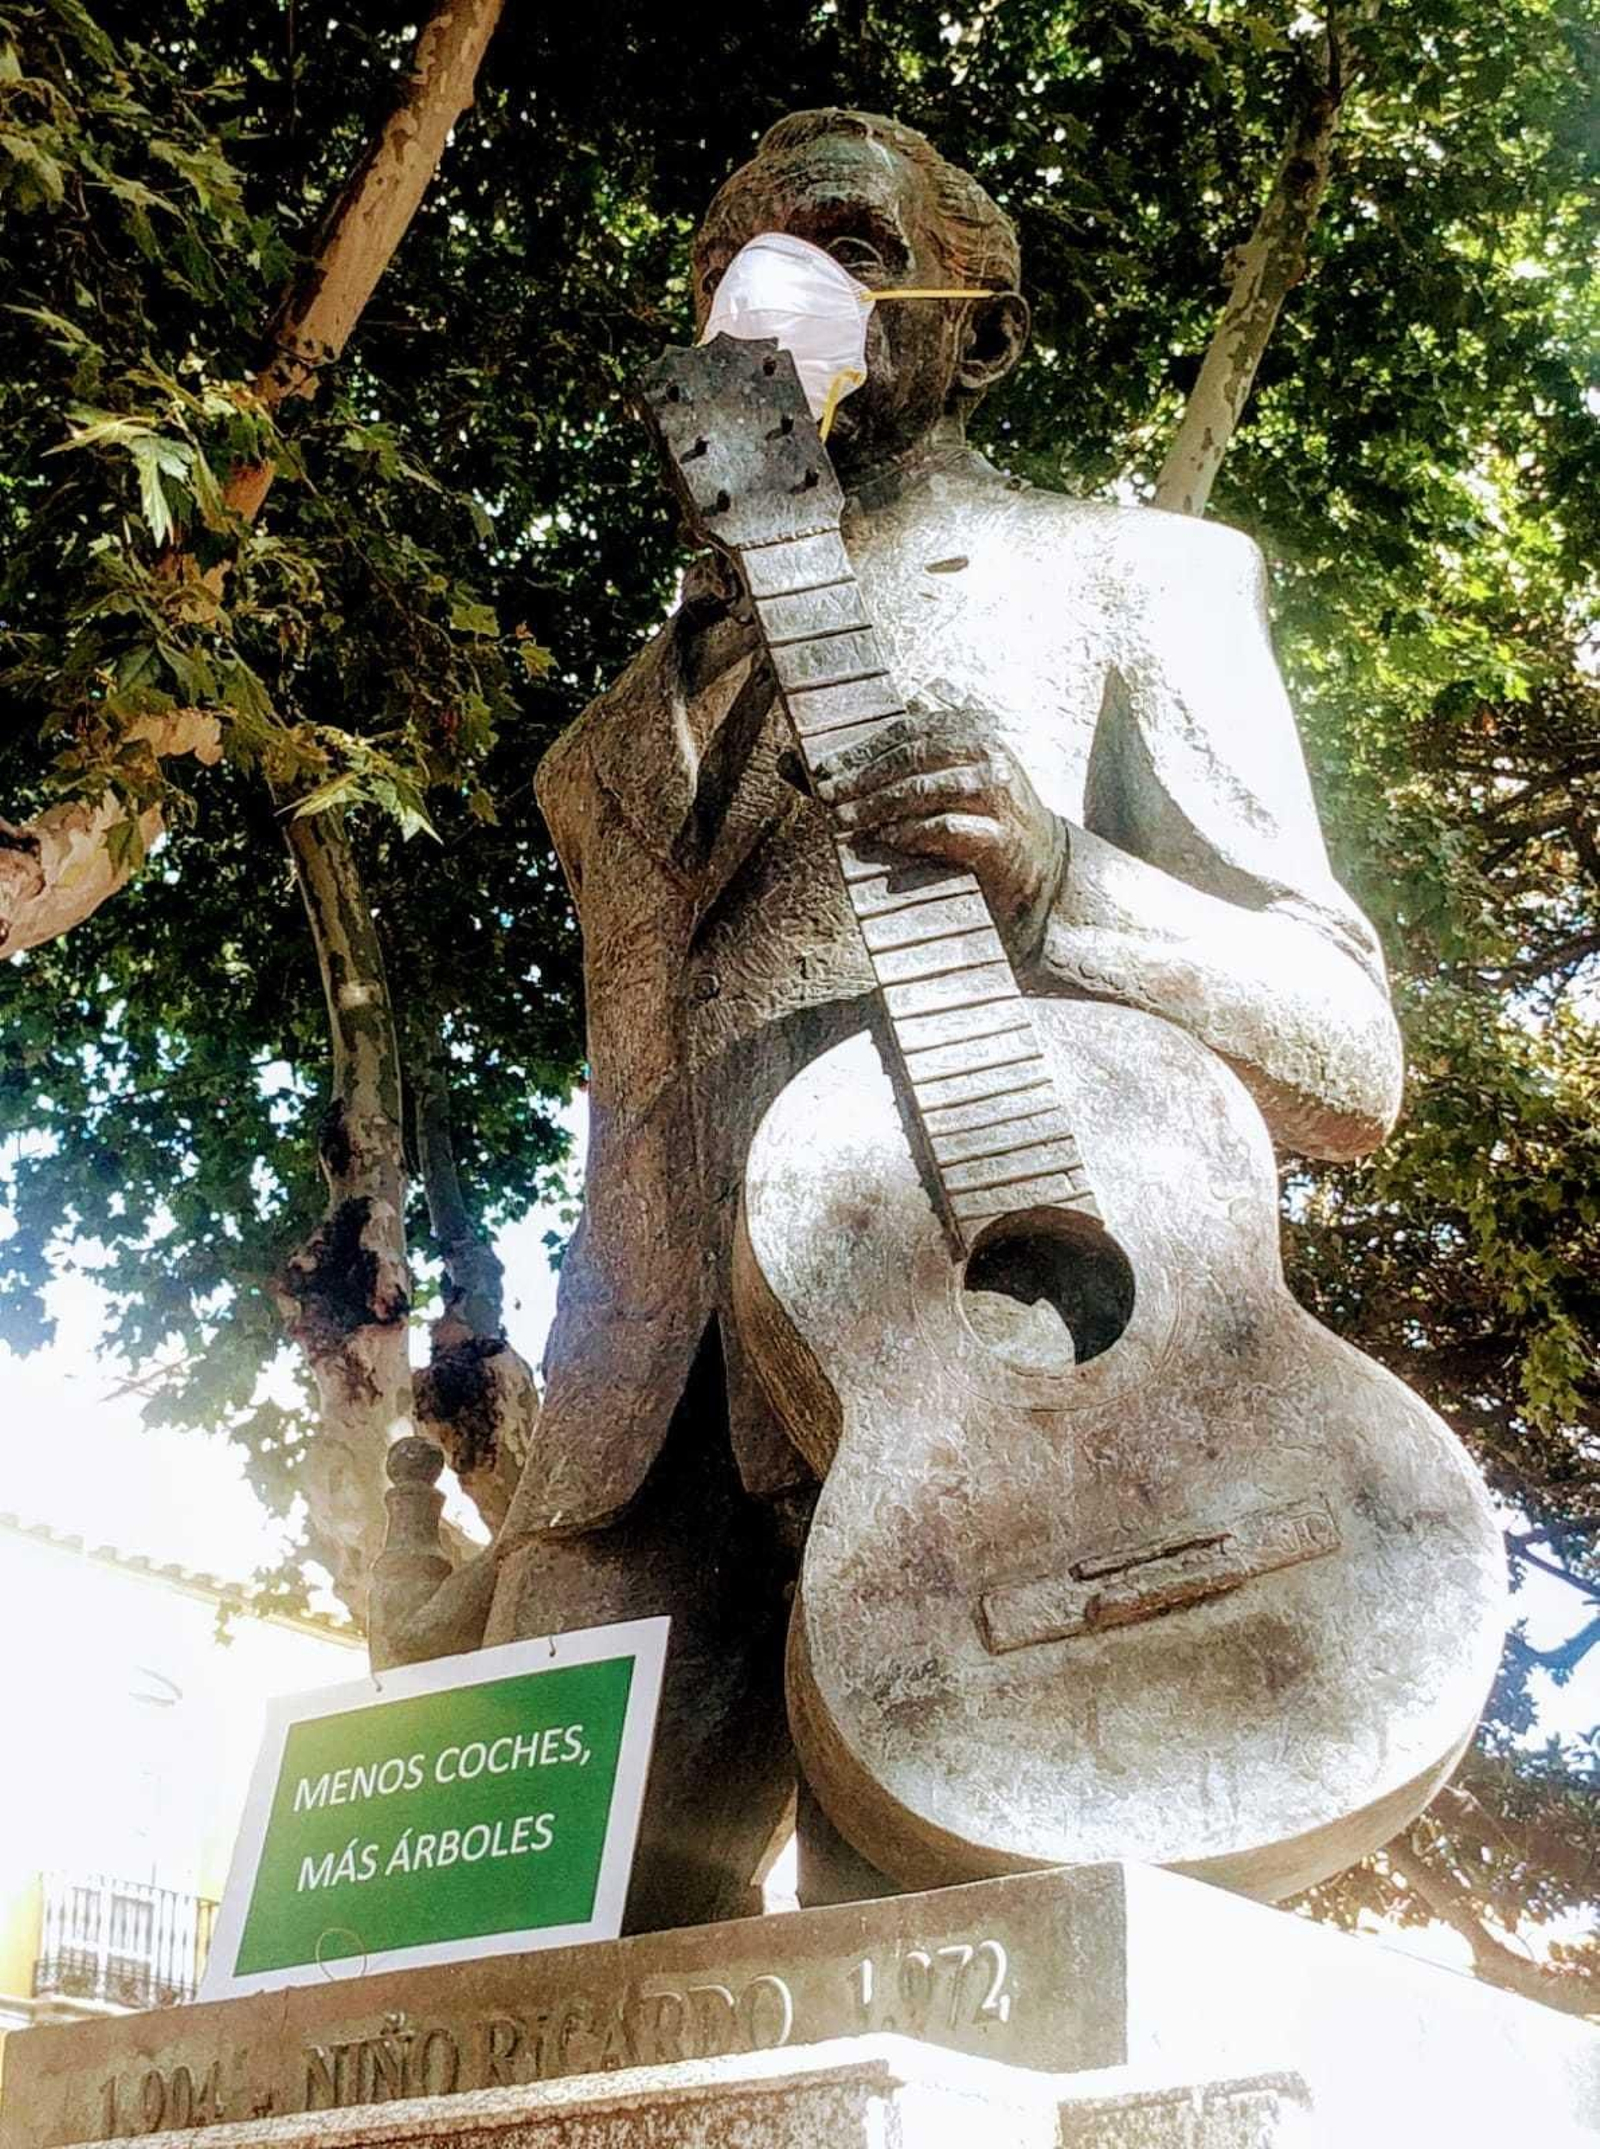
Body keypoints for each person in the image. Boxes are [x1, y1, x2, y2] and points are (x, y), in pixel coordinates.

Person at [398, 108, 1404, 1930]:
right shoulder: (598, 751)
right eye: (732, 263)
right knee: (473, 1996)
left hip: (993, 1401)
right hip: (634, 1452)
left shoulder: (1132, 580)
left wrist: (1061, 879)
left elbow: (1347, 1050)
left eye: (849, 249)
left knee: (954, 1978)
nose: (771, 299)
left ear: (982, 325)